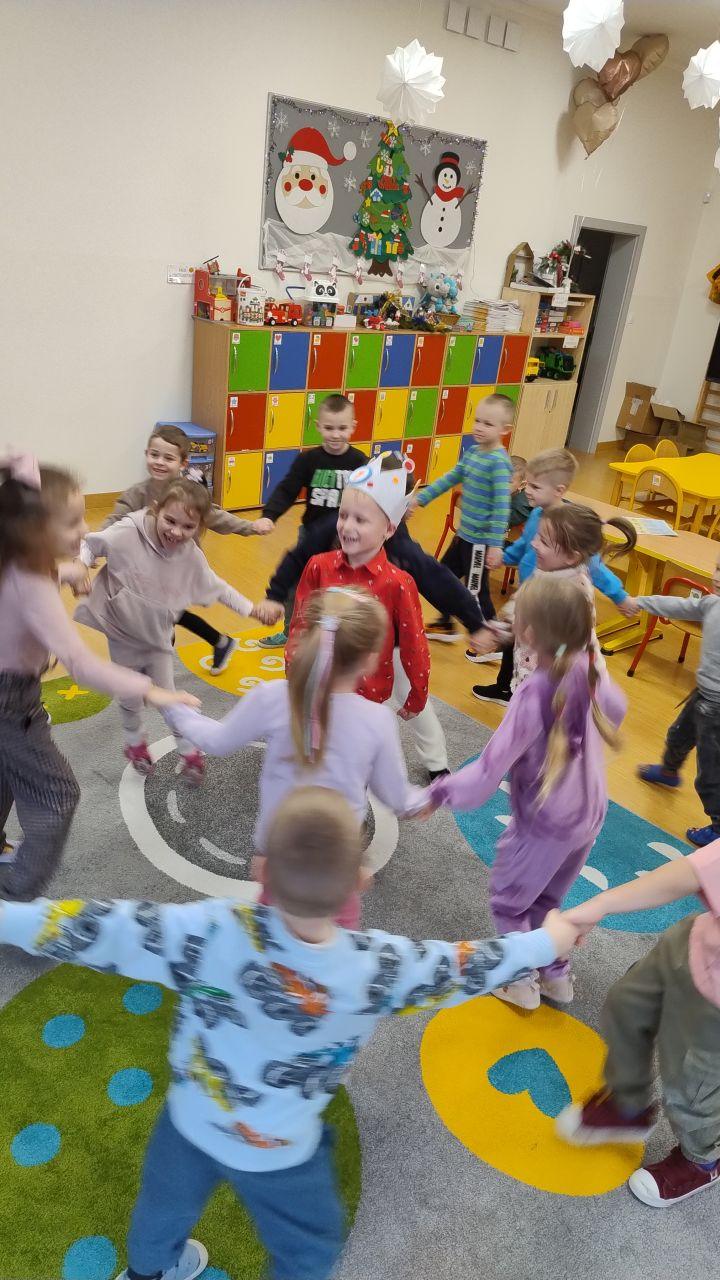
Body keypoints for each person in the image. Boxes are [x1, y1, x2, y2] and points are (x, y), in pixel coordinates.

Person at [0, 785, 579, 1280]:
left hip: (191, 1120)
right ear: (358, 883)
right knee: (310, 1247)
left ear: (261, 871)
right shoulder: (376, 969)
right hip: (279, 1148)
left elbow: (97, 927)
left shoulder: (208, 929)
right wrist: (545, 942)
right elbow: (460, 965)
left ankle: (147, 1272)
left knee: (161, 1209)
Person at [164, 586, 425, 927]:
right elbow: (397, 798)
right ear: (370, 659)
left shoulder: (271, 698)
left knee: (272, 937)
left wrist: (175, 708)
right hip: (338, 867)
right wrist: (431, 798)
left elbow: (216, 741)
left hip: (278, 856)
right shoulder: (377, 720)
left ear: (306, 638)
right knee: (334, 943)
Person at [0, 454, 196, 900]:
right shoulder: (32, 582)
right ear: (33, 531)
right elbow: (82, 664)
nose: (85, 529)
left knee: (7, 770)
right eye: (72, 522)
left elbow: (37, 584)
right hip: (11, 700)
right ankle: (15, 898)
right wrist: (153, 692)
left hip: (8, 689)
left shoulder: (16, 558)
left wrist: (69, 571)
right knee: (57, 796)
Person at [427, 575, 626, 1009]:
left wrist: (440, 792)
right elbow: (617, 708)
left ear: (529, 634)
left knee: (510, 901)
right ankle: (555, 975)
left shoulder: (534, 693)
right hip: (590, 814)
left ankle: (519, 983)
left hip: (546, 821)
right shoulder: (590, 669)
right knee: (548, 898)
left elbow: (487, 771)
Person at [76, 478, 270, 784]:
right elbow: (90, 543)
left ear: (200, 527)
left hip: (158, 640)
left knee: (170, 699)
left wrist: (250, 608)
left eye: (188, 527)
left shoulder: (190, 556)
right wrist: (80, 565)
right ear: (156, 510)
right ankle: (135, 744)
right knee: (129, 697)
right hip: (122, 635)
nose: (177, 532)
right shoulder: (128, 532)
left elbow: (218, 587)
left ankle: (189, 752)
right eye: (170, 521)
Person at [556, 847, 720, 1208]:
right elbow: (693, 871)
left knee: (692, 1092)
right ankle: (628, 1104)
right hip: (690, 945)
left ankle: (701, 1161)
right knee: (627, 1005)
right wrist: (601, 904)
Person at [285, 451, 447, 780]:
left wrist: (417, 693)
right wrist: (294, 668)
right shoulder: (318, 566)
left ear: (389, 528)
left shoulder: (398, 583)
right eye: (343, 515)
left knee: (374, 750)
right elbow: (301, 623)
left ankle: (435, 762)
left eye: (360, 520)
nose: (347, 526)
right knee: (331, 746)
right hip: (327, 677)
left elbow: (414, 643)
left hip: (377, 679)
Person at [102, 423, 270, 675]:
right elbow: (115, 521)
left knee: (163, 616)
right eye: (154, 455)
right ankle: (219, 642)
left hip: (180, 568)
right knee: (164, 613)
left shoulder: (189, 495)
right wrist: (93, 544)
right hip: (148, 569)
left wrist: (250, 527)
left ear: (183, 463)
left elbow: (216, 517)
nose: (160, 462)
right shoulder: (138, 493)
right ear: (146, 454)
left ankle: (159, 667)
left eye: (168, 458)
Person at [473, 485, 636, 706]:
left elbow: (571, 644)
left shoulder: (572, 591)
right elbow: (519, 605)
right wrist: (495, 633)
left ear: (571, 556)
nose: (533, 544)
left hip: (559, 689)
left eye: (543, 541)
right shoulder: (545, 572)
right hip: (532, 677)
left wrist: (537, 641)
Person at [254, 394, 368, 649]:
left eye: (342, 428)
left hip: (346, 541)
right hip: (311, 537)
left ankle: (342, 637)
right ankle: (289, 632)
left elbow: (375, 497)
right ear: (318, 426)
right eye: (329, 428)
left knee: (342, 589)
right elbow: (287, 489)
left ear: (353, 427)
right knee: (295, 586)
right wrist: (269, 515)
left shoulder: (360, 463)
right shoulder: (309, 460)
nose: (335, 435)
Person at [630, 557, 720, 847]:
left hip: (717, 707)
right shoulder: (711, 603)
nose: (717, 577)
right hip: (703, 694)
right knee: (678, 736)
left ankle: (718, 826)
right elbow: (678, 605)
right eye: (718, 568)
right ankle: (669, 771)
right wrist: (640, 601)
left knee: (710, 770)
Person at [408, 392, 513, 641]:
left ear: (505, 430)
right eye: (477, 420)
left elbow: (502, 506)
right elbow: (450, 478)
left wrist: (495, 545)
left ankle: (492, 638)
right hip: (464, 537)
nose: (479, 427)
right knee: (444, 577)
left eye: (488, 424)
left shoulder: (499, 463)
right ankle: (445, 623)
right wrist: (420, 499)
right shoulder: (474, 453)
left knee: (475, 591)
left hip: (480, 543)